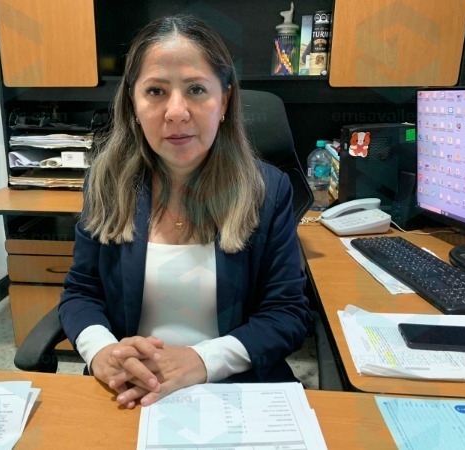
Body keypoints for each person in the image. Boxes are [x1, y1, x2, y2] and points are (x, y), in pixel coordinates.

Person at [58, 14, 312, 409]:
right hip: (130, 390)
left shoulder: (267, 190)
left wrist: (201, 361)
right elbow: (81, 292)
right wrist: (103, 351)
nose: (176, 112)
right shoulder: (106, 184)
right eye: (156, 91)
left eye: (196, 89)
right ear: (133, 103)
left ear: (224, 100)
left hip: (233, 389)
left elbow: (287, 313)